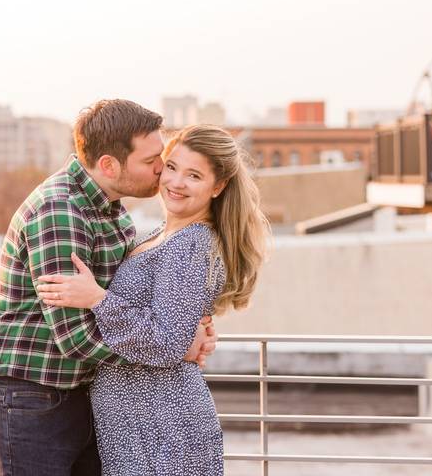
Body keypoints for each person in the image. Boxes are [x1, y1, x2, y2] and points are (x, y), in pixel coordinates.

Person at [0, 100, 218, 476]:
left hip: (80, 393)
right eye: (152, 160)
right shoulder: (61, 211)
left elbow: (129, 299)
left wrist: (189, 325)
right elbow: (75, 338)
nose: (161, 170)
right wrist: (168, 351)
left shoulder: (112, 208)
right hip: (32, 397)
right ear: (109, 165)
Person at [36, 124, 270, 475]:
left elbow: (166, 343)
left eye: (193, 175)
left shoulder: (190, 246)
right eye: (171, 167)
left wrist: (98, 299)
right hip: (137, 422)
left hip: (162, 425)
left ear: (218, 186)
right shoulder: (161, 233)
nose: (175, 182)